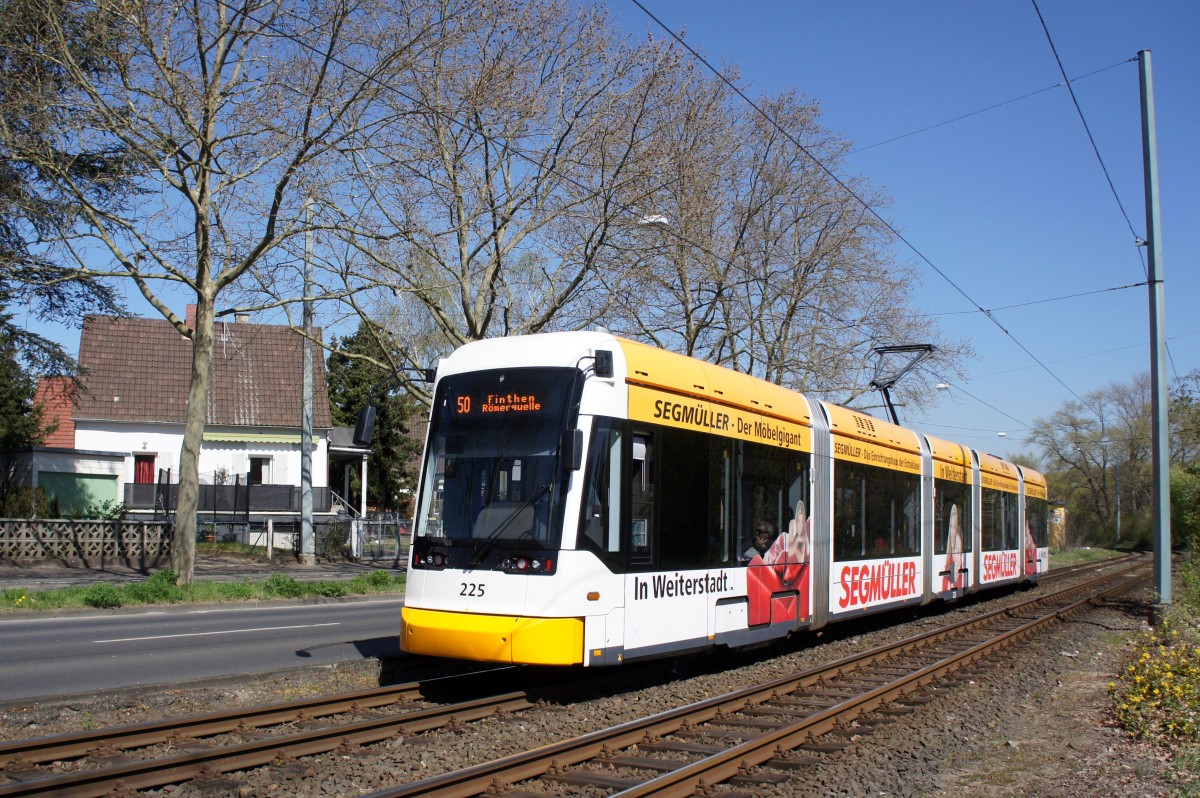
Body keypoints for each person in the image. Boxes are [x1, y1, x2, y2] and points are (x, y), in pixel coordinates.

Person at [941, 504, 964, 592]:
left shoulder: (958, 542)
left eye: (954, 527)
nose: (952, 531)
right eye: (951, 527)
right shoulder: (949, 549)